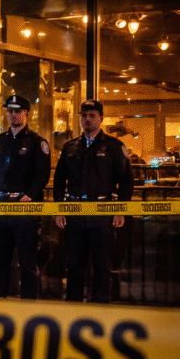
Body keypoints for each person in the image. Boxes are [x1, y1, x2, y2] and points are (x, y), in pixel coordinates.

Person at [53, 99, 134, 303]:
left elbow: (126, 180)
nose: (87, 119)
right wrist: (59, 209)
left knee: (102, 267)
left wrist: (120, 210)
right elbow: (59, 181)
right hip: (75, 215)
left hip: (102, 215)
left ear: (101, 119)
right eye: (83, 115)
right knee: (74, 267)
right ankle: (73, 311)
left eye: (92, 116)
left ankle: (100, 312)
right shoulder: (70, 147)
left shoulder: (114, 147)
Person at [0, 94, 51, 299]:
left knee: (27, 262)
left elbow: (42, 174)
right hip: (0, 206)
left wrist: (29, 195)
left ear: (26, 113)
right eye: (9, 111)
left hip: (24, 208)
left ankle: (27, 308)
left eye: (17, 111)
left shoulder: (37, 142)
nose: (13, 115)